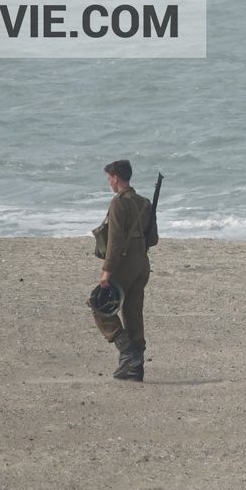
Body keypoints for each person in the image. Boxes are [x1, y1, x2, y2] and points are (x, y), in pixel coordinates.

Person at [90, 159, 152, 380]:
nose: (109, 184)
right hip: (143, 263)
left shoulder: (119, 202)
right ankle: (137, 367)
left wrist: (107, 271)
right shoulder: (145, 203)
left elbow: (115, 240)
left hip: (124, 263)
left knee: (98, 304)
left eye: (109, 179)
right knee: (133, 313)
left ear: (116, 178)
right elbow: (152, 238)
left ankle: (127, 352)